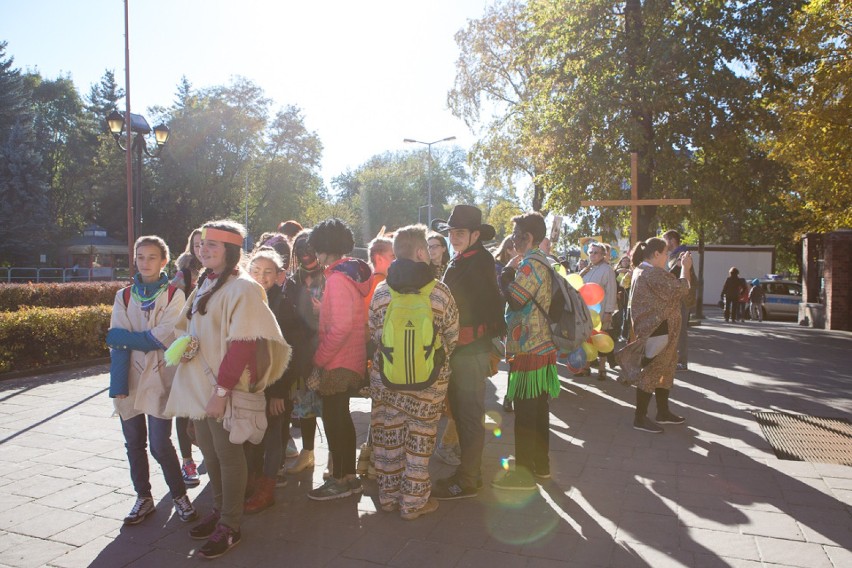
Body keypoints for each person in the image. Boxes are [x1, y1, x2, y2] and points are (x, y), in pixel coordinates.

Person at [164, 220, 291, 560]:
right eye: (203, 244)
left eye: (213, 246)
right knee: (211, 453)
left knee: (228, 455)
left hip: (224, 389)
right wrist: (186, 346)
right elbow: (189, 327)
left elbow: (243, 345)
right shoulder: (205, 281)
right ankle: (220, 511)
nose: (204, 250)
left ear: (231, 251)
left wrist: (220, 393)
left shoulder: (243, 288)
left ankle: (231, 526)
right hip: (198, 386)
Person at [369, 224, 459, 519]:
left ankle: (389, 497)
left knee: (389, 440)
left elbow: (374, 334)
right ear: (421, 252)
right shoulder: (441, 292)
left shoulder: (381, 291)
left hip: (388, 382)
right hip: (429, 383)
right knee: (420, 443)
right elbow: (452, 337)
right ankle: (413, 503)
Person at [107, 235, 197, 526]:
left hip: (161, 377)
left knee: (160, 443)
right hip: (128, 376)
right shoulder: (123, 296)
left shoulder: (174, 295)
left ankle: (180, 495)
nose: (145, 262)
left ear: (164, 261)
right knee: (133, 442)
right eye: (141, 256)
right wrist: (138, 342)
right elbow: (115, 337)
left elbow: (162, 335)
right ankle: (143, 497)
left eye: (152, 257)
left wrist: (130, 339)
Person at [430, 205, 506, 500]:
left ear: (475, 234)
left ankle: (469, 479)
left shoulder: (479, 262)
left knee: (470, 415)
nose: (455, 237)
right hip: (460, 349)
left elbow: (470, 306)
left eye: (460, 232)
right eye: (451, 232)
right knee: (462, 414)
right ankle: (467, 472)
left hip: (470, 350)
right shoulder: (463, 260)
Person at [306, 218, 373, 501]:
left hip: (338, 363)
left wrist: (319, 359)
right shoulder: (349, 276)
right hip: (351, 360)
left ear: (326, 248)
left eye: (318, 250)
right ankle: (349, 478)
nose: (316, 255)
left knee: (336, 423)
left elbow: (341, 327)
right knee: (341, 421)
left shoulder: (336, 279)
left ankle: (340, 480)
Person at [494, 212, 558, 490]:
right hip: (542, 347)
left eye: (516, 234)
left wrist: (506, 274)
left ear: (528, 238)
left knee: (525, 412)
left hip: (529, 350)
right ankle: (540, 466)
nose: (512, 240)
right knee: (539, 409)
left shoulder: (531, 264)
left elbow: (517, 299)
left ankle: (523, 474)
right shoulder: (542, 262)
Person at [243, 246, 295, 513]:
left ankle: (267, 487)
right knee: (251, 434)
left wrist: (279, 391)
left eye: (268, 272)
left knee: (273, 435)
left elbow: (288, 352)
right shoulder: (245, 298)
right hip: (248, 384)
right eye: (256, 271)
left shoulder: (282, 305)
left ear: (278, 276)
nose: (261, 276)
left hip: (274, 385)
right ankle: (250, 481)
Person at [626, 237, 692, 433]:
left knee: (666, 370)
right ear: (656, 254)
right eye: (665, 254)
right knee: (652, 372)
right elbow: (682, 288)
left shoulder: (645, 271)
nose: (666, 257)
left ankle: (663, 412)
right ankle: (640, 417)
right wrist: (685, 267)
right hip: (658, 331)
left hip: (661, 331)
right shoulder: (651, 273)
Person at [283, 230, 324, 476]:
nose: (306, 254)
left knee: (331, 406)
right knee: (305, 405)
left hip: (327, 349)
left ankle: (334, 459)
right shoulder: (292, 280)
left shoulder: (330, 277)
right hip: (302, 353)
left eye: (310, 249)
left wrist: (324, 311)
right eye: (300, 251)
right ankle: (307, 453)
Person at [169, 228, 203, 488]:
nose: (201, 248)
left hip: (209, 346)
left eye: (206, 243)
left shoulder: (223, 273)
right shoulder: (185, 273)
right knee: (183, 406)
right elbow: (170, 303)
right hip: (187, 342)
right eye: (196, 244)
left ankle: (207, 452)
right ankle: (187, 460)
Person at [581, 241, 618, 380]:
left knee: (601, 337)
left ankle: (602, 368)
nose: (592, 255)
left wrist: (609, 311)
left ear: (603, 254)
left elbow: (611, 290)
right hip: (587, 311)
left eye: (596, 252)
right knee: (587, 337)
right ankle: (586, 365)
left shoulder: (607, 269)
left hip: (601, 310)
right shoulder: (588, 269)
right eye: (590, 252)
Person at [662, 230, 696, 370]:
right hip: (676, 296)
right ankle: (677, 359)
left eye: (665, 240)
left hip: (681, 297)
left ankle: (682, 361)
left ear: (672, 240)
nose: (664, 244)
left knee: (680, 330)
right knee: (675, 329)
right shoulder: (674, 255)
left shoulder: (682, 255)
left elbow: (676, 276)